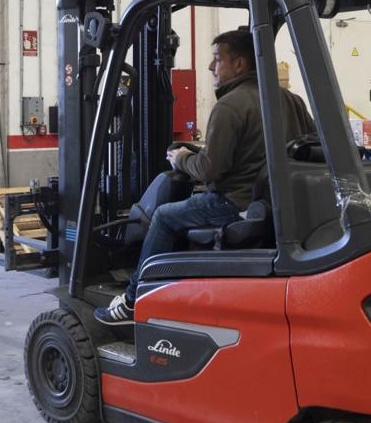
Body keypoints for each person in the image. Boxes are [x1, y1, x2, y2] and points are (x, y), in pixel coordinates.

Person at [96, 30, 315, 326]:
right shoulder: (291, 100)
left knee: (163, 216)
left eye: (217, 59)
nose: (212, 67)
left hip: (233, 201)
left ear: (238, 64)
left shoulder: (230, 105)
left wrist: (181, 158)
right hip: (273, 202)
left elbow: (210, 169)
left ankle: (134, 300)